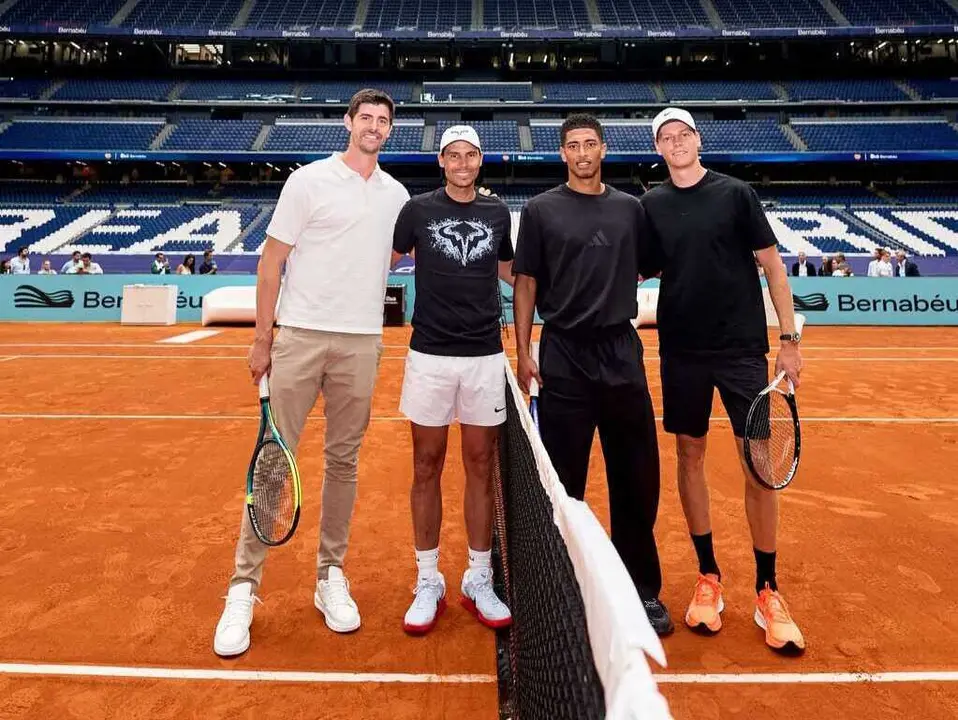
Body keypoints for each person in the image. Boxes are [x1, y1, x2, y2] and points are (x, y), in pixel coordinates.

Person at [213, 88, 410, 657]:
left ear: (391, 130)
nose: (373, 126)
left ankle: (330, 577)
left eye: (383, 120)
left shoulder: (397, 196)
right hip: (299, 337)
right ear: (348, 122)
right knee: (276, 459)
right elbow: (271, 259)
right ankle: (243, 588)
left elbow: (392, 258)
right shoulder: (307, 181)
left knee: (344, 462)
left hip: (362, 342)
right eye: (365, 118)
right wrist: (262, 338)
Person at [639, 107, 805, 653]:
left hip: (740, 351)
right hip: (681, 351)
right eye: (667, 137)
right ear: (659, 149)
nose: (677, 142)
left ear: (697, 140)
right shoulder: (651, 205)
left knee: (757, 463)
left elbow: (773, 266)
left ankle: (767, 586)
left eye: (684, 133)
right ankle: (708, 576)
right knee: (689, 455)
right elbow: (630, 267)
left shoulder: (736, 194)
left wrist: (788, 340)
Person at [512, 113, 673, 636]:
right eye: (573, 145)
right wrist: (524, 349)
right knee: (564, 481)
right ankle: (562, 587)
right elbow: (526, 283)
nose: (582, 153)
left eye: (590, 144)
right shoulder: (540, 210)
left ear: (603, 149)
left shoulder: (631, 209)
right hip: (563, 353)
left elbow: (648, 264)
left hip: (621, 352)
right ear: (562, 153)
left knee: (636, 478)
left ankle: (639, 589)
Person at [390, 125, 515, 635]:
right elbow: (384, 261)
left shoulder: (498, 212)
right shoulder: (416, 211)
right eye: (453, 156)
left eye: (470, 156)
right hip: (429, 355)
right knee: (426, 464)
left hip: (484, 354)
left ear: (480, 161)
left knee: (481, 464)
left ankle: (478, 578)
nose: (462, 164)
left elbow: (512, 272)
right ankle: (428, 579)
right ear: (442, 162)